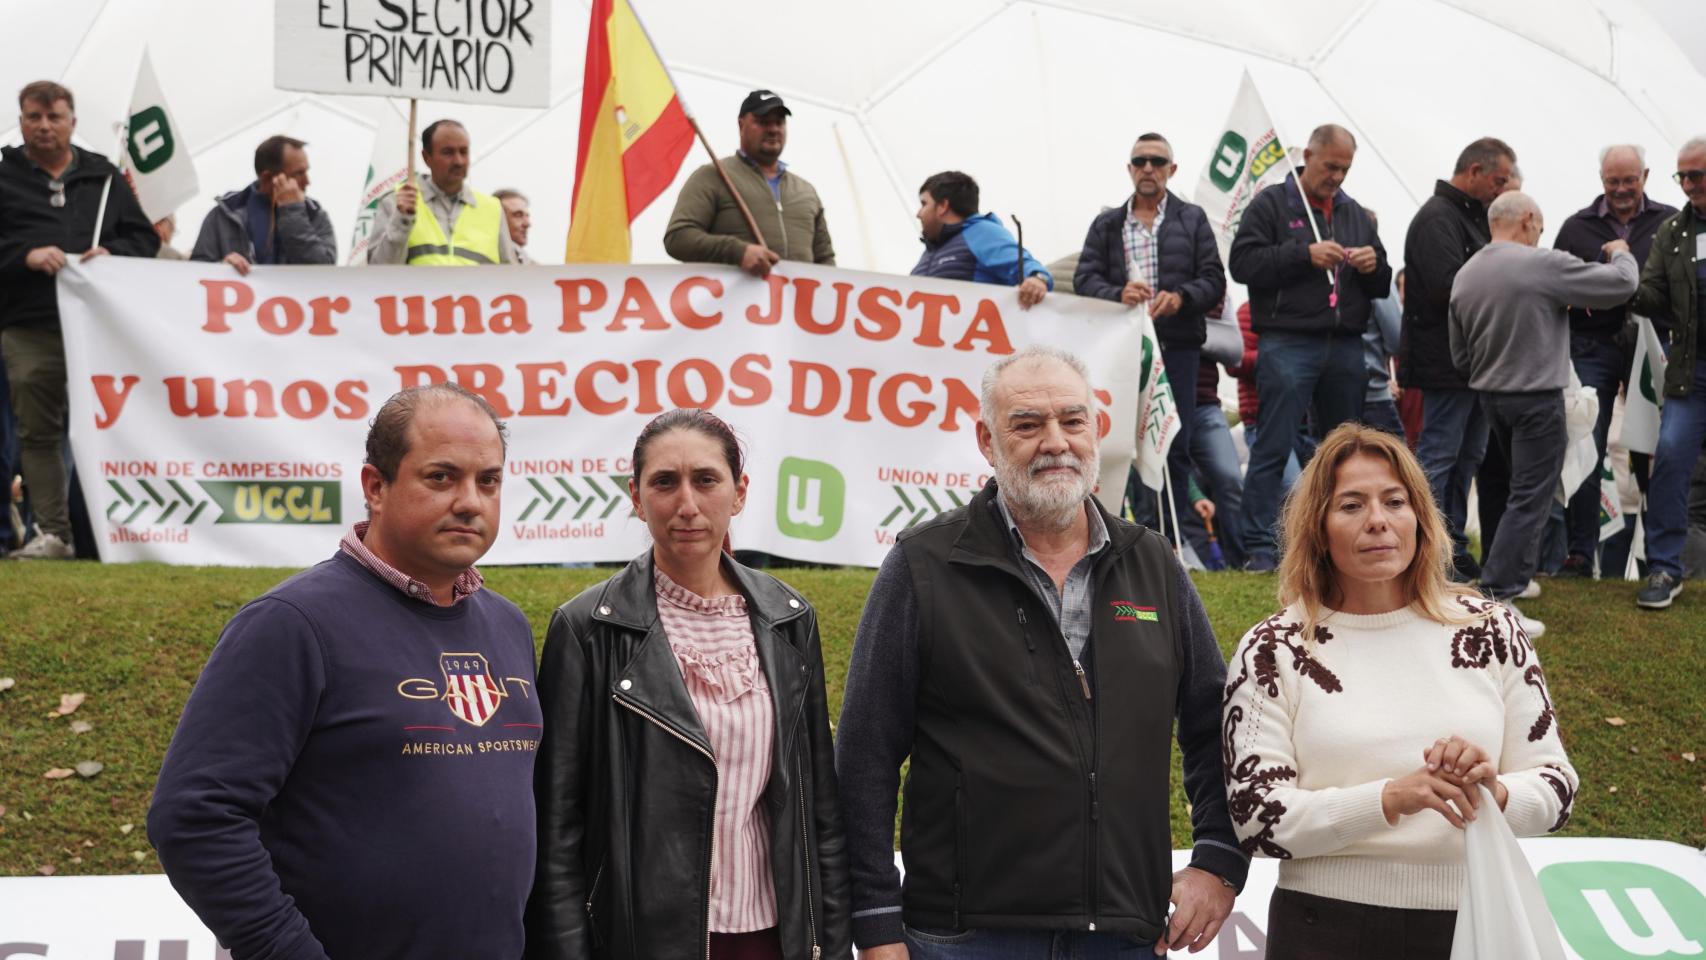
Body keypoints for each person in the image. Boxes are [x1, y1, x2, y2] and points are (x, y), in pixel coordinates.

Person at [836, 345, 1247, 958]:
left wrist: (1217, 858)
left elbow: (1214, 723)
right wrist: (874, 919)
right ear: (987, 440)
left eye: (1072, 420)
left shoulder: (1154, 563)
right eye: (1026, 424)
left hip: (1124, 934)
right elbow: (864, 754)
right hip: (964, 938)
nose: (1055, 441)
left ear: (1097, 430)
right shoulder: (923, 565)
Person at [148, 384, 539, 959]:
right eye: (441, 477)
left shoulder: (507, 627)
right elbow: (195, 817)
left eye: (488, 480)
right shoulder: (291, 624)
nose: (470, 501)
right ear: (375, 488)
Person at [1223, 424, 1577, 960]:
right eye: (1351, 505)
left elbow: (1556, 789)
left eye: (1395, 501)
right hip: (1323, 929)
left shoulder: (1491, 629)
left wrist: (1492, 791)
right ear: (1317, 528)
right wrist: (1388, 799)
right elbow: (1256, 816)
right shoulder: (1273, 649)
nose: (1378, 522)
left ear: (1420, 517)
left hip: (1479, 919)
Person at [529, 408, 850, 960]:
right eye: (664, 482)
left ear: (739, 491)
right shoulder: (587, 629)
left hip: (774, 935)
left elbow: (818, 806)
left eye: (705, 480)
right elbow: (557, 826)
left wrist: (833, 937)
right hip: (643, 937)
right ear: (635, 495)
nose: (687, 505)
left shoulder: (790, 619)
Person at [1450, 191, 1639, 636]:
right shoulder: (1540, 264)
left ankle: (1512, 576)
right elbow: (1621, 286)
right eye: (1539, 225)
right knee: (1531, 498)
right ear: (1529, 219)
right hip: (1537, 398)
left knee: (1510, 492)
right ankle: (1500, 596)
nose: (1540, 233)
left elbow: (1460, 356)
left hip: (1491, 398)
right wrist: (1623, 254)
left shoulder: (1467, 274)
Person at [0, 80, 157, 560]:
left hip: (97, 330)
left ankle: (114, 536)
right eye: (33, 116)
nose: (43, 125)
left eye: (54, 116)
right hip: (30, 326)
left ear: (72, 121)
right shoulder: (3, 176)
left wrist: (111, 253)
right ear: (21, 120)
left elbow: (144, 240)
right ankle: (54, 533)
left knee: (110, 427)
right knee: (39, 432)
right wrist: (24, 255)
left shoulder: (104, 177)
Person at [1229, 123, 1391, 571]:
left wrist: (1374, 264)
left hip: (1344, 344)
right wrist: (1304, 255)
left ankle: (1335, 543)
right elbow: (1241, 263)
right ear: (1307, 156)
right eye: (1330, 166)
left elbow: (1380, 283)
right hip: (1287, 340)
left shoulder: (1353, 211)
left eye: (1345, 168)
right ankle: (1260, 547)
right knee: (1273, 443)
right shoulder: (1272, 204)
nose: (1337, 176)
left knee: (1344, 449)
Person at [1074, 132, 1227, 536]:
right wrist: (1117, 293)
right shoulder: (1108, 222)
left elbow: (1214, 280)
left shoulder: (1192, 219)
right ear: (1129, 169)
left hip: (1178, 347)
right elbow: (1083, 279)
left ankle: (1173, 541)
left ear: (1171, 170)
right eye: (1140, 160)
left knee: (1173, 441)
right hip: (1122, 349)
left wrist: (1181, 298)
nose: (1148, 168)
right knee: (1119, 441)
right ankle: (1124, 534)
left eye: (1157, 162)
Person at [1553, 144, 1679, 577]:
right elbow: (1558, 286)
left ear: (1646, 175)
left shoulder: (1670, 221)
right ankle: (1580, 552)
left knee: (1660, 449)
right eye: (1613, 181)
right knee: (1587, 439)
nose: (1622, 189)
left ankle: (1654, 558)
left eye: (1630, 180)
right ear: (1600, 178)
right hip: (1594, 346)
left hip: (1655, 342)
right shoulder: (1575, 227)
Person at [1400, 137, 1516, 582]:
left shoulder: (1466, 217)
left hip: (1472, 364)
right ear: (1473, 172)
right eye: (1498, 179)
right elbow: (1447, 287)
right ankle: (1424, 549)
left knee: (1467, 457)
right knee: (1441, 457)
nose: (1501, 189)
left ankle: (1450, 549)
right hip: (1445, 363)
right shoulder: (1437, 219)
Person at [1631, 136, 1706, 609]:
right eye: (1682, 176)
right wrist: (1616, 283)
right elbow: (1652, 292)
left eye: (1696, 175)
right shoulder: (1673, 231)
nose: (1688, 185)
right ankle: (1664, 568)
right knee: (1673, 456)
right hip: (1690, 370)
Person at [665, 89, 834, 277]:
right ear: (741, 124)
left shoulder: (806, 191)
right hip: (731, 305)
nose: (773, 129)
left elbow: (825, 260)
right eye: (763, 122)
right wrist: (737, 252)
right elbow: (678, 238)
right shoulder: (713, 176)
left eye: (779, 122)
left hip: (795, 306)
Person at [369, 118, 523, 266]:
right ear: (426, 157)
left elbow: (510, 278)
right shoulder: (395, 203)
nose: (458, 161)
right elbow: (379, 272)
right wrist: (402, 220)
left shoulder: (493, 209)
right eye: (448, 152)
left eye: (463, 152)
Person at [190, 134, 337, 273]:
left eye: (306, 172)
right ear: (267, 178)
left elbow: (324, 271)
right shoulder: (222, 216)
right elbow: (194, 274)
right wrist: (221, 268)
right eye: (298, 174)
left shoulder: (315, 215)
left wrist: (292, 213)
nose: (307, 181)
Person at [911, 170, 1051, 304]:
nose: (918, 214)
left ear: (943, 206)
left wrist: (1037, 278)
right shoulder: (930, 251)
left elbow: (1024, 265)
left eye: (924, 204)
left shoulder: (981, 232)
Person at [495, 188, 534, 264]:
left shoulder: (536, 269)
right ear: (497, 220)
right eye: (518, 215)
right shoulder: (486, 263)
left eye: (527, 216)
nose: (527, 224)